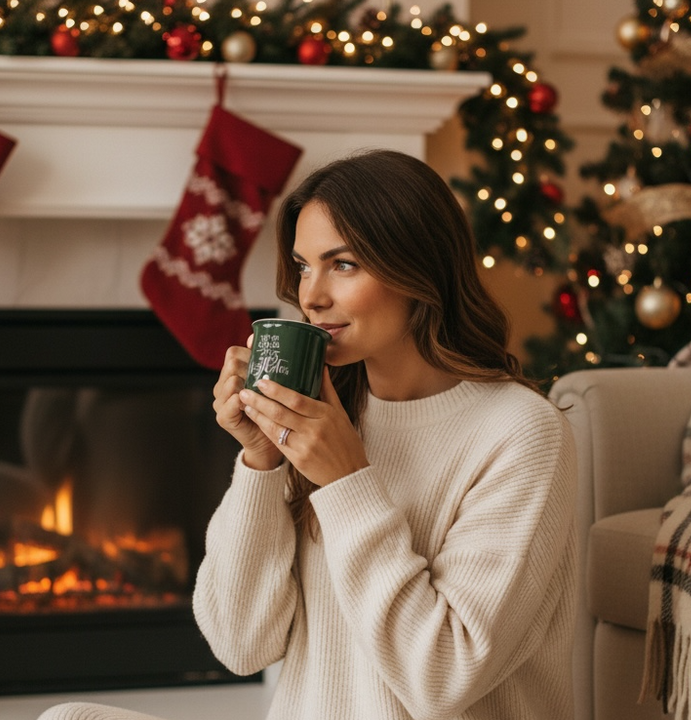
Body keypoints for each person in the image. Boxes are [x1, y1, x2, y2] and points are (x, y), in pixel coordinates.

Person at [193, 148, 578, 720]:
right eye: (303, 266)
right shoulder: (326, 418)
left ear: (417, 269)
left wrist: (346, 480)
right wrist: (261, 461)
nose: (311, 296)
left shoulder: (520, 433)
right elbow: (240, 645)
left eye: (342, 264)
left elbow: (441, 678)